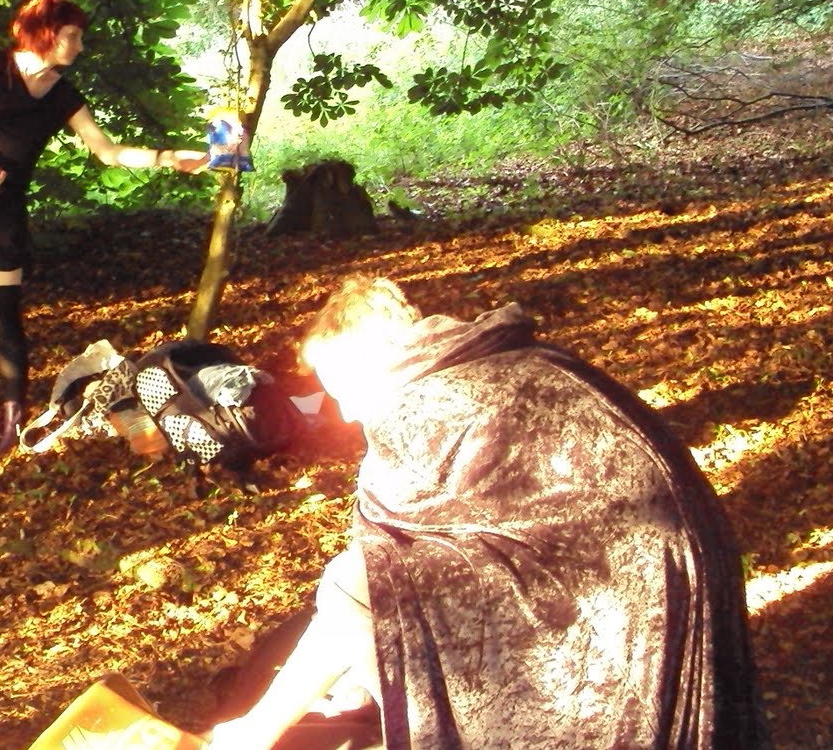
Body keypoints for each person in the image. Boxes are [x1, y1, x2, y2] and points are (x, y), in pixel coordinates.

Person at [207, 276, 772, 750]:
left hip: (613, 581)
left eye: (344, 389)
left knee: (355, 585)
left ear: (374, 356)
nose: (349, 413)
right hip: (690, 565)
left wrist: (258, 728)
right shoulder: (531, 361)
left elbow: (364, 590)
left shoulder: (422, 413)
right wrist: (367, 670)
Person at [0, 0, 209, 455]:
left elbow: (107, 151)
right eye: (71, 35)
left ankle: (11, 425)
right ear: (45, 33)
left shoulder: (63, 94)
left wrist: (169, 157)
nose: (78, 46)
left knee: (7, 316)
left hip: (4, 209)